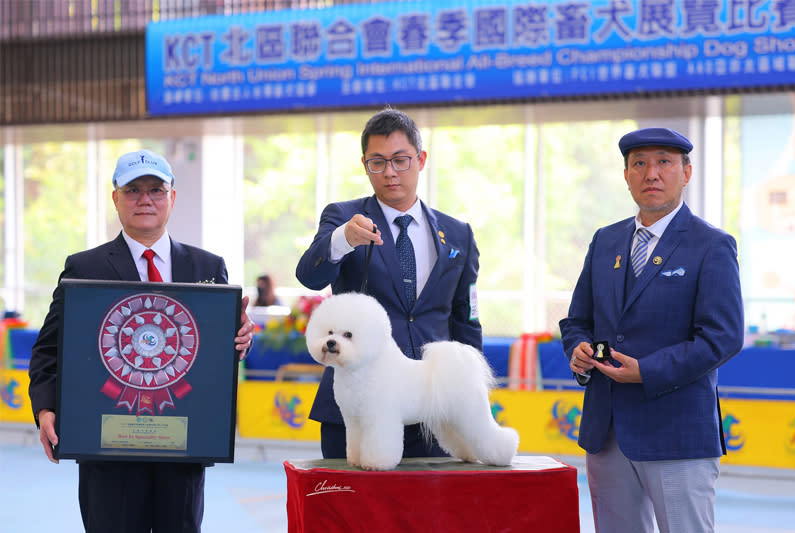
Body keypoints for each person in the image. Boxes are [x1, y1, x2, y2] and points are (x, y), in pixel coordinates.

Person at [27, 148, 256, 533]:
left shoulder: (207, 267)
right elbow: (50, 348)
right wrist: (46, 409)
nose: (145, 199)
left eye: (156, 189)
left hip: (184, 443)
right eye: (133, 190)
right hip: (106, 446)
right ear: (115, 197)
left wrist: (241, 339)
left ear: (173, 197)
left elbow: (216, 351)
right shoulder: (84, 267)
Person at [559, 127, 744, 533]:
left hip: (677, 433)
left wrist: (647, 371)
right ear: (626, 176)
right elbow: (577, 321)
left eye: (664, 162)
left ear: (687, 172)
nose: (651, 174)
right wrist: (579, 350)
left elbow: (723, 336)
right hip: (606, 433)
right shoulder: (605, 241)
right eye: (639, 164)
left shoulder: (711, 245)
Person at [296, 107, 482, 459]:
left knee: (431, 513)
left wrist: (471, 384)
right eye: (377, 163)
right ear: (364, 164)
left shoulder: (458, 234)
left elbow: (466, 317)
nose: (390, 173)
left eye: (401, 160)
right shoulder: (342, 218)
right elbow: (309, 274)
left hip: (434, 407)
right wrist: (343, 240)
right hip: (357, 408)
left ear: (421, 159)